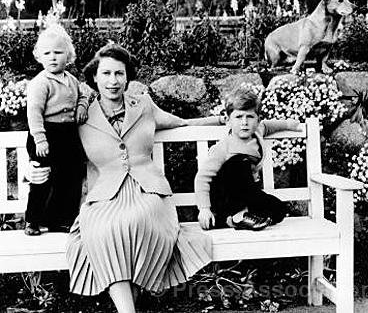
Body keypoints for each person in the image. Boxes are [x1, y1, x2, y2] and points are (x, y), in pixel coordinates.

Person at [27, 43, 223, 313]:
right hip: (104, 196)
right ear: (94, 77)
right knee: (105, 230)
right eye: (106, 73)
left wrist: (218, 121)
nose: (113, 81)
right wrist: (31, 170)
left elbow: (179, 122)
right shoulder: (80, 116)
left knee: (140, 221)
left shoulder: (143, 106)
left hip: (148, 191)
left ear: (128, 77)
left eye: (119, 74)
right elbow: (54, 149)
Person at [195, 87, 301, 231]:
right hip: (224, 194)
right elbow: (202, 178)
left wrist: (288, 124)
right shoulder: (224, 146)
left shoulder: (257, 131)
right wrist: (204, 209)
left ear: (257, 119)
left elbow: (268, 126)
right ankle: (236, 215)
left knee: (278, 209)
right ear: (228, 120)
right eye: (238, 117)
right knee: (239, 162)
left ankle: (234, 220)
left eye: (250, 117)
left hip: (247, 193)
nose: (244, 122)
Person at [25, 24, 89, 236]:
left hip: (67, 134)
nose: (52, 57)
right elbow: (33, 112)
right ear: (39, 57)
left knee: (69, 176)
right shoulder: (41, 83)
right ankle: (32, 220)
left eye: (58, 52)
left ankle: (58, 219)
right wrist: (40, 140)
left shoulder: (71, 80)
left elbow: (83, 95)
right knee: (42, 177)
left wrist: (81, 106)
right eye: (47, 53)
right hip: (45, 133)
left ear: (68, 56)